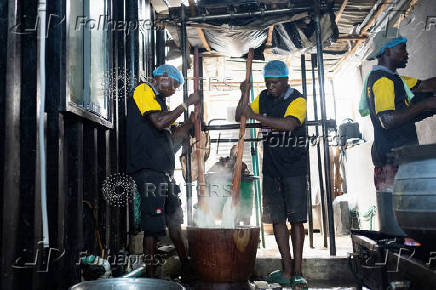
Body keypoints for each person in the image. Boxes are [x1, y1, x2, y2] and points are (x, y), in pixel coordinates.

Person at [235, 60, 308, 289]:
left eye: (275, 82)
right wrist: (244, 94)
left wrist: (257, 117)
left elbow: (288, 125)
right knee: (277, 218)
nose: (271, 86)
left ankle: (298, 272)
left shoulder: (298, 99)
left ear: (286, 80)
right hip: (272, 168)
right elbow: (241, 116)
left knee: (296, 219)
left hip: (294, 168)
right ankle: (286, 271)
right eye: (267, 82)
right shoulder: (264, 97)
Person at [126, 64, 200, 278]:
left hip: (164, 174)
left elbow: (172, 140)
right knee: (152, 225)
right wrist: (186, 104)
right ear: (163, 78)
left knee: (174, 220)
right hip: (148, 173)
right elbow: (159, 122)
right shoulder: (143, 91)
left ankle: (187, 267)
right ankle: (150, 276)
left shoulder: (159, 102)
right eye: (175, 85)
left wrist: (189, 123)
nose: (175, 90)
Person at [360, 28, 436, 191]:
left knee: (406, 213)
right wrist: (424, 105)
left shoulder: (394, 79)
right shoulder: (383, 81)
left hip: (397, 161)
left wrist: (425, 104)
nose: (406, 53)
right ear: (387, 50)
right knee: (398, 214)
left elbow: (424, 86)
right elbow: (387, 120)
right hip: (392, 165)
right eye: (402, 48)